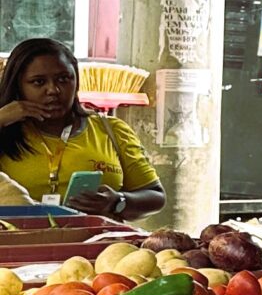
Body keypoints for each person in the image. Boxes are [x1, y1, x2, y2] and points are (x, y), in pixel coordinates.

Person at [0, 38, 164, 218]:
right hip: (17, 243)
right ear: (18, 86)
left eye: (63, 79)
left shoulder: (111, 130)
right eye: (38, 82)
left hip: (97, 243)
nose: (53, 90)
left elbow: (155, 196)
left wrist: (118, 201)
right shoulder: (6, 130)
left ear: (76, 81)